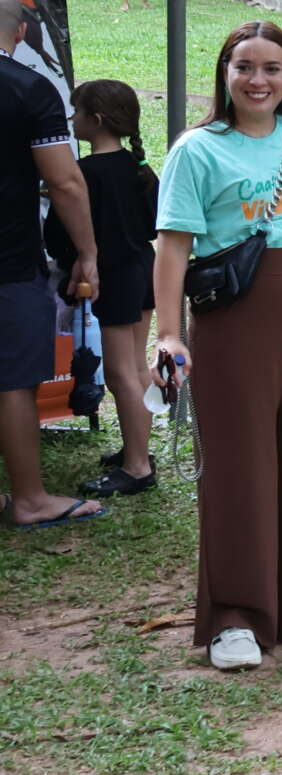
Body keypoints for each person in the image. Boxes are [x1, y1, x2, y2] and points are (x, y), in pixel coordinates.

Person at [152, 22, 282, 670]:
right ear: (225, 72)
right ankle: (236, 615)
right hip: (236, 311)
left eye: (272, 67)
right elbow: (173, 249)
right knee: (240, 460)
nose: (259, 79)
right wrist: (167, 333)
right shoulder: (197, 149)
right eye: (246, 66)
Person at [1, 0, 102, 529]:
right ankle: (30, 498)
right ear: (20, 33)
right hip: (9, 259)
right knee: (12, 381)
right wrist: (87, 252)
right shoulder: (28, 87)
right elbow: (64, 180)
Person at [44, 81, 156, 498]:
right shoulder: (139, 167)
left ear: (97, 120)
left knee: (120, 372)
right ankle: (137, 448)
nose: (73, 120)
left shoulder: (85, 175)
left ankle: (138, 466)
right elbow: (151, 222)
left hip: (113, 274)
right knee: (138, 367)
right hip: (143, 266)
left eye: (77, 113)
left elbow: (60, 230)